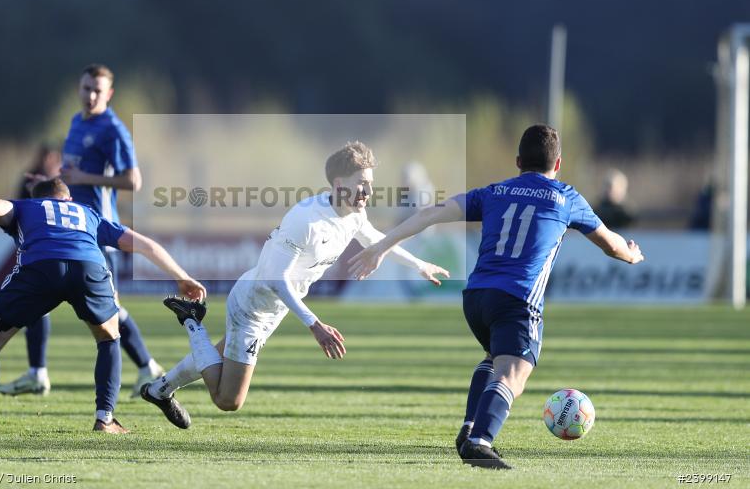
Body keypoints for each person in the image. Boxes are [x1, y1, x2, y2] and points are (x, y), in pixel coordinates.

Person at [348, 125, 644, 469]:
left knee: (493, 359)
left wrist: (382, 245)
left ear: (518, 161)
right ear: (558, 163)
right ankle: (479, 442)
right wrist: (632, 254)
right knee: (513, 374)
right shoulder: (567, 197)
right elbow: (612, 244)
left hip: (475, 297)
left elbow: (431, 213)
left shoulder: (493, 192)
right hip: (517, 299)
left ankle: (471, 428)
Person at [139, 141, 450, 428]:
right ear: (340, 185)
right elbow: (277, 281)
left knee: (217, 358)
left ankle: (159, 389)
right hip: (252, 306)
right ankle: (192, 321)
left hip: (274, 309)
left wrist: (419, 264)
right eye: (362, 184)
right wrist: (314, 324)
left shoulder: (354, 213)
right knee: (228, 400)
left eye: (370, 183)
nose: (369, 190)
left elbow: (376, 240)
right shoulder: (306, 220)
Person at [0, 178, 205, 434]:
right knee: (109, 338)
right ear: (68, 198)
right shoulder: (87, 213)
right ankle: (106, 419)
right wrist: (182, 277)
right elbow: (144, 245)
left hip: (41, 269)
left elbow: (0, 206)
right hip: (89, 270)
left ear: (38, 197)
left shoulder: (27, 206)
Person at [0, 65, 163, 399]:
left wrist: (85, 180)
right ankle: (37, 373)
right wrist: (47, 185)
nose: (89, 96)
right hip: (66, 225)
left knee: (109, 310)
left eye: (97, 91)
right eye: (85, 88)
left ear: (109, 94)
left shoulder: (113, 130)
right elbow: (71, 173)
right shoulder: (77, 122)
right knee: (39, 295)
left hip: (95, 230)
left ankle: (147, 366)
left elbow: (133, 180)